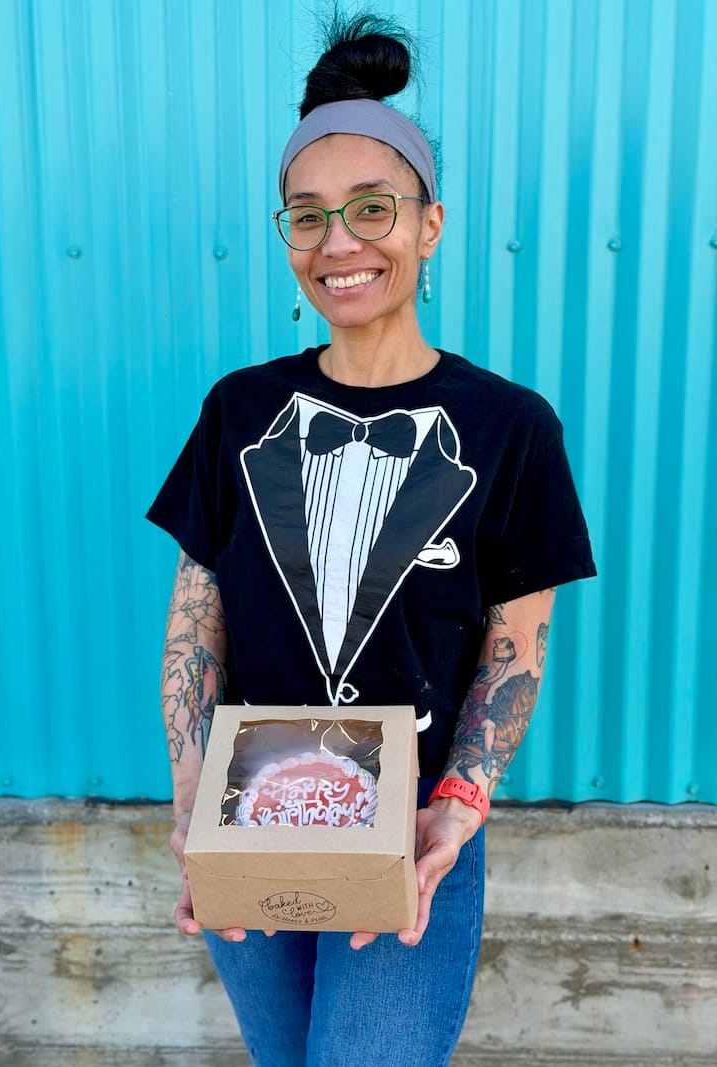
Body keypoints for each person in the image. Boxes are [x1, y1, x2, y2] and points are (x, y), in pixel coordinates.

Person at [147, 12, 595, 1066]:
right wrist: (190, 798)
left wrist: (460, 803)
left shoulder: (509, 426)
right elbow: (194, 615)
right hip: (252, 809)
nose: (337, 243)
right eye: (306, 217)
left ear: (428, 224)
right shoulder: (236, 408)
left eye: (369, 208)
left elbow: (513, 642)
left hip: (410, 830)